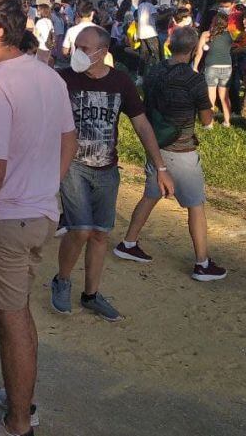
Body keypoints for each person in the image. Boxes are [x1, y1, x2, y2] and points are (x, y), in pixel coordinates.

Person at [0, 0, 77, 436]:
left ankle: (17, 422)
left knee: (10, 321)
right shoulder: (48, 76)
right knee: (18, 313)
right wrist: (46, 184)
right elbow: (69, 140)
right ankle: (20, 397)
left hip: (3, 218)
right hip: (38, 212)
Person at [52, 25, 170, 322]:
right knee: (80, 230)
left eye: (84, 48)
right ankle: (62, 280)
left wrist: (161, 167)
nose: (77, 53)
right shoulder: (63, 79)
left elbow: (141, 124)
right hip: (73, 166)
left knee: (101, 234)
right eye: (75, 46)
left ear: (103, 53)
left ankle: (91, 294)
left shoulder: (121, 81)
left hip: (106, 169)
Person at [116, 26, 227, 281]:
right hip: (181, 147)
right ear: (192, 50)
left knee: (151, 193)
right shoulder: (194, 79)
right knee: (195, 204)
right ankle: (202, 263)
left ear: (170, 44)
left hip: (154, 142)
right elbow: (206, 117)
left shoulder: (155, 71)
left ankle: (129, 243)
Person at [194, 12, 234, 127]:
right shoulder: (230, 35)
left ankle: (209, 123)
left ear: (214, 22)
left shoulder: (206, 35)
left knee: (211, 96)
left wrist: (195, 67)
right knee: (224, 96)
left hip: (211, 66)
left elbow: (199, 53)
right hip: (227, 67)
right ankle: (227, 121)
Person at [136, 0, 162, 72]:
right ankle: (158, 75)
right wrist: (169, 13)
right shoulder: (150, 6)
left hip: (142, 34)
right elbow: (158, 18)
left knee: (143, 56)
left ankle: (140, 76)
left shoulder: (141, 5)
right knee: (158, 55)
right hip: (151, 33)